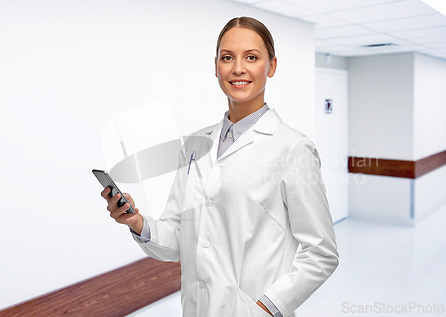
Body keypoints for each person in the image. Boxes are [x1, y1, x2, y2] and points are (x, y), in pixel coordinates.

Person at [101, 16, 339, 317]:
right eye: (228, 57)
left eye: (251, 57)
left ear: (272, 66)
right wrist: (136, 222)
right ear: (216, 67)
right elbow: (178, 236)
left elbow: (322, 253)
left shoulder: (292, 147)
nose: (238, 68)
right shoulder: (196, 145)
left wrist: (266, 308)